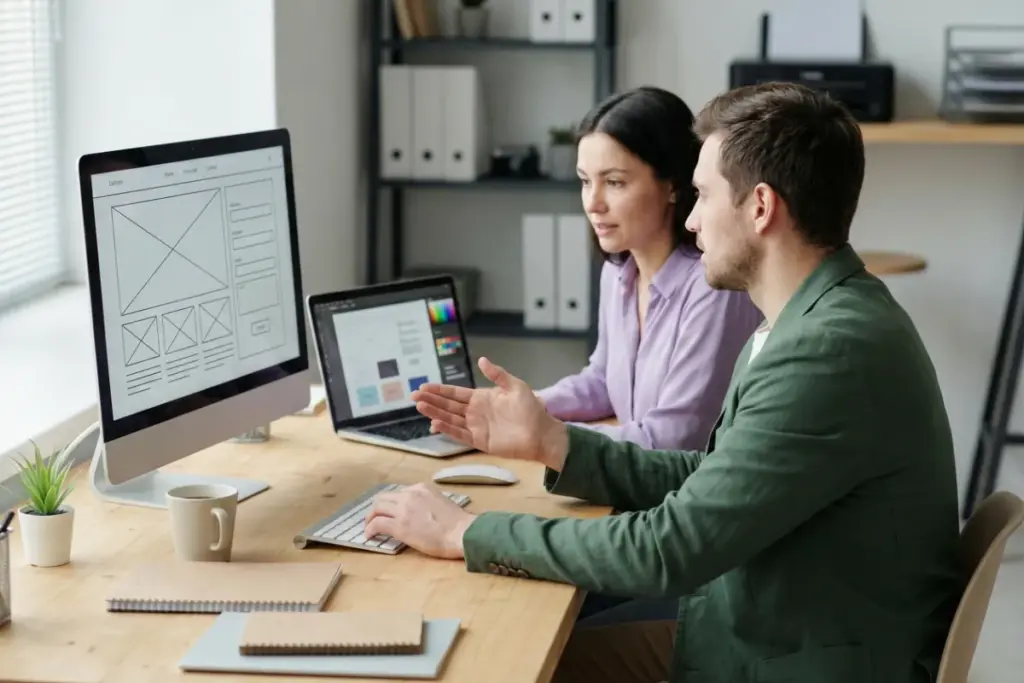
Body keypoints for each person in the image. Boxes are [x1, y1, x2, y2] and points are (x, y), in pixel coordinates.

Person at [364, 82, 964, 683]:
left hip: (793, 659)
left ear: (760, 207)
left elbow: (667, 550)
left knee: (505, 663)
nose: (693, 218)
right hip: (772, 630)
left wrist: (467, 531)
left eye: (702, 195)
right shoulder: (818, 317)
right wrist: (559, 443)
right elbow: (709, 477)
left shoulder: (825, 350)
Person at [534, 86, 762, 451]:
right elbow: (603, 381)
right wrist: (527, 405)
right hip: (637, 485)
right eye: (584, 181)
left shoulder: (713, 288)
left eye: (614, 182)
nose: (593, 203)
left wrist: (540, 436)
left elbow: (673, 439)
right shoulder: (619, 271)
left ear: (673, 185)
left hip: (687, 495)